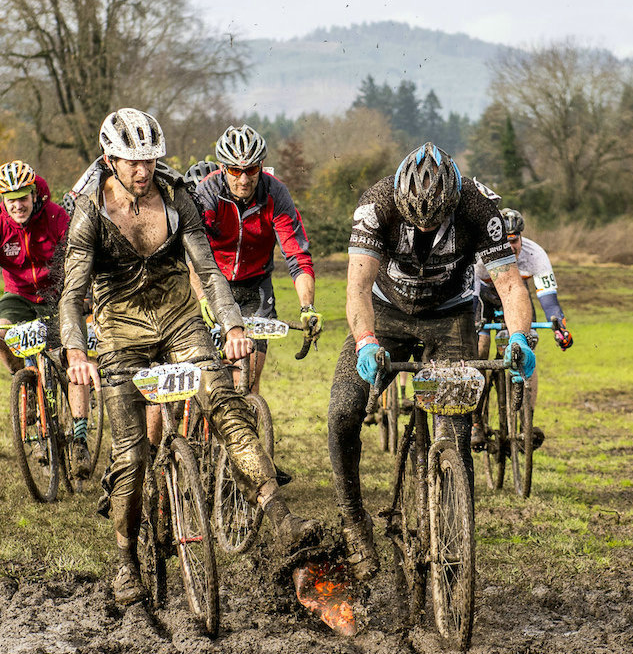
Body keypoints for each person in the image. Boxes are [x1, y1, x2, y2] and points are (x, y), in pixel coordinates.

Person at [59, 108, 317, 606]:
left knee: (226, 403)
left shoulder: (177, 196)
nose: (143, 171)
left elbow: (208, 269)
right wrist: (75, 351)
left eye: (150, 161)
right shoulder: (90, 210)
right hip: (120, 332)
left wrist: (233, 325)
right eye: (133, 162)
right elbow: (72, 295)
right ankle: (125, 560)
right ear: (110, 159)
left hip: (179, 318)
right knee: (131, 457)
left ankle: (278, 516)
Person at [327, 143, 536, 582]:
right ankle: (353, 518)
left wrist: (518, 336)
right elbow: (357, 287)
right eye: (416, 221)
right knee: (343, 410)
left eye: (434, 220)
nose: (424, 227)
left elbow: (511, 285)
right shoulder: (377, 205)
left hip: (451, 317)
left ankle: (452, 540)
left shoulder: (480, 207)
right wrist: (366, 341)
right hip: (385, 312)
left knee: (455, 435)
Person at [0, 161, 92, 473]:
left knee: (72, 357)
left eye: (22, 197)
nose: (17, 205)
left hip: (59, 295)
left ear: (34, 194)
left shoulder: (56, 216)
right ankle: (23, 382)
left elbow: (81, 257)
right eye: (10, 199)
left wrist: (85, 296)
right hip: (19, 296)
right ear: (3, 199)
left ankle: (80, 440)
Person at [193, 124, 321, 395]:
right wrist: (202, 296)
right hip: (213, 285)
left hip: (255, 287)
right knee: (206, 379)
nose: (243, 180)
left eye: (251, 170)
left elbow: (297, 256)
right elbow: (194, 251)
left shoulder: (276, 193)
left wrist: (307, 307)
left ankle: (247, 428)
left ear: (261, 166)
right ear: (222, 167)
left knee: (247, 380)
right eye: (234, 170)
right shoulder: (207, 192)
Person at [472, 206, 572, 446]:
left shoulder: (535, 254)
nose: (511, 248)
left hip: (517, 299)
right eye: (506, 242)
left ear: (521, 237)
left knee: (527, 352)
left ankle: (527, 421)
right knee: (480, 348)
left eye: (514, 241)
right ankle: (475, 420)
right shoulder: (479, 257)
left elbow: (548, 298)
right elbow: (472, 298)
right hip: (485, 299)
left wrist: (560, 328)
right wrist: (473, 324)